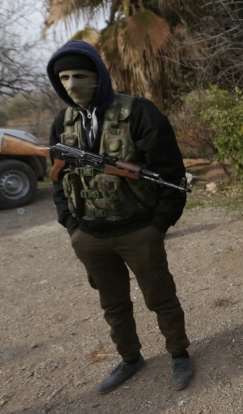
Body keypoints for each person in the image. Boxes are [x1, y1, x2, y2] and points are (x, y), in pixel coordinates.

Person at [46, 40, 193, 394]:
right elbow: (56, 179)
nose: (71, 84)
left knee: (161, 298)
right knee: (112, 305)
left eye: (80, 75)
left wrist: (158, 226)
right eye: (63, 77)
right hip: (89, 236)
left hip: (138, 230)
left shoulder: (138, 112)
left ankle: (179, 355)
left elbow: (171, 175)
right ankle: (130, 358)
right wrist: (71, 226)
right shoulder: (62, 123)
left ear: (99, 75)